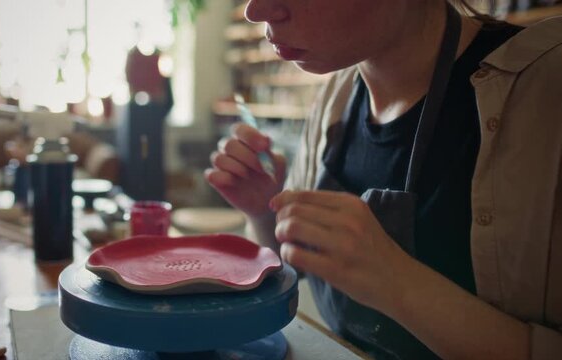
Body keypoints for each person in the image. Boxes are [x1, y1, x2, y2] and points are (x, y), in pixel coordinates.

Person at [205, 1, 562, 359]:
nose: (257, 10)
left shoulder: (546, 90)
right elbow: (297, 271)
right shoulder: (334, 98)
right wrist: (265, 214)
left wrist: (397, 282)